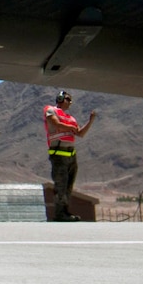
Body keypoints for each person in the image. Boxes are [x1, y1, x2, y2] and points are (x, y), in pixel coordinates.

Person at [42, 90, 96, 221]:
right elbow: (56, 124)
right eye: (68, 99)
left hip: (71, 156)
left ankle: (65, 212)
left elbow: (80, 133)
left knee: (68, 186)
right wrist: (70, 128)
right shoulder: (50, 110)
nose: (70, 102)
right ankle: (60, 213)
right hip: (58, 154)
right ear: (60, 99)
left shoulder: (71, 118)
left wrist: (90, 121)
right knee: (60, 185)